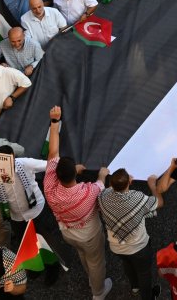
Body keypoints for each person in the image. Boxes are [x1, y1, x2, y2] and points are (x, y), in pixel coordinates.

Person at [43, 104, 112, 300]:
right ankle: (98, 292)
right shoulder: (88, 192)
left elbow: (52, 152)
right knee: (96, 261)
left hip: (67, 232)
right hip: (89, 233)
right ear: (76, 172)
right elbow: (101, 182)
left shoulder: (50, 186)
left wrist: (54, 123)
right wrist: (102, 174)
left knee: (83, 255)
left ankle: (92, 278)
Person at [99, 169, 164, 296]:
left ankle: (134, 287)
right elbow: (159, 203)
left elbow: (108, 189)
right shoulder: (137, 197)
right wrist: (152, 186)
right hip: (138, 246)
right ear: (130, 181)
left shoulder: (103, 196)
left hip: (116, 247)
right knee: (144, 273)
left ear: (111, 184)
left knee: (127, 264)